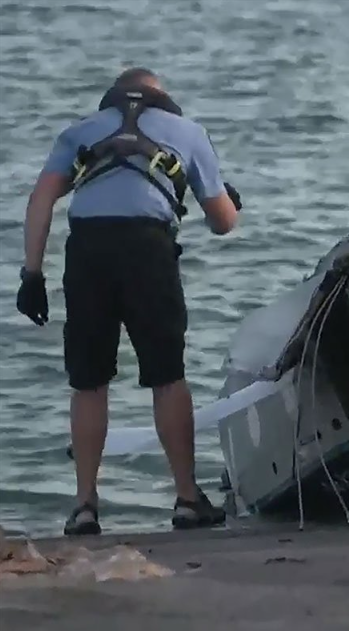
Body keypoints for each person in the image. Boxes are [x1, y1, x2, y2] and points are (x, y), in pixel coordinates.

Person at [15, 67, 242, 536]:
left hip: (87, 251)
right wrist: (229, 201)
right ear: (163, 97)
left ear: (112, 96)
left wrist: (31, 275)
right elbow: (223, 223)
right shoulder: (187, 132)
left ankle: (84, 506)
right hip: (147, 249)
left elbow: (40, 200)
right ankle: (186, 499)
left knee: (88, 381)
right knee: (167, 375)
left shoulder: (78, 131)